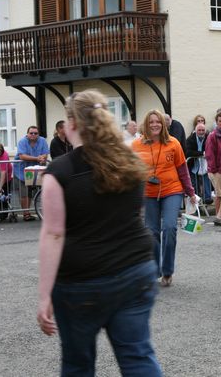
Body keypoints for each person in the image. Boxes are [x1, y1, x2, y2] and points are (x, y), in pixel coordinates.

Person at [37, 91, 163, 375]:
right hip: (136, 269)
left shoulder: (59, 171)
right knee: (138, 357)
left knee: (77, 364)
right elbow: (135, 213)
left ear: (71, 124)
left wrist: (44, 296)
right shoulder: (129, 159)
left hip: (82, 282)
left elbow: (53, 235)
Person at [131, 109, 197, 287]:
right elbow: (132, 172)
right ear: (146, 124)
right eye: (151, 122)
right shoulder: (136, 146)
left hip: (172, 190)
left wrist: (190, 193)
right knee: (152, 233)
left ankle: (167, 270)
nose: (154, 125)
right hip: (148, 194)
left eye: (158, 121)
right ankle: (155, 270)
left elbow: (183, 170)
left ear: (164, 124)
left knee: (169, 228)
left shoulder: (173, 143)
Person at [14, 125, 49, 221]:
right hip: (21, 170)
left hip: (35, 169)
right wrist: (37, 158)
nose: (33, 135)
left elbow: (45, 153)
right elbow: (22, 156)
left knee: (30, 192)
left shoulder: (42, 141)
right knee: (24, 193)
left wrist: (43, 158)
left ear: (38, 134)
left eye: (35, 133)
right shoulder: (22, 141)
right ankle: (26, 214)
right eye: (31, 133)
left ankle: (30, 212)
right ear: (27, 134)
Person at [187, 122, 212, 203]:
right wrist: (201, 153)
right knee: (194, 183)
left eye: (203, 130)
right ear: (195, 131)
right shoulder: (190, 139)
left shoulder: (209, 137)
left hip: (205, 164)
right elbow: (188, 152)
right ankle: (197, 200)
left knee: (206, 180)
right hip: (193, 164)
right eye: (199, 130)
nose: (201, 132)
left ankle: (207, 198)